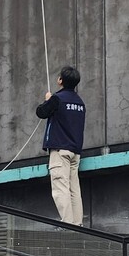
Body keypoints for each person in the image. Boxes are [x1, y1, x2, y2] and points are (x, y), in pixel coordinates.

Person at [36, 66, 85, 226]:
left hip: (59, 150)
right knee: (74, 189)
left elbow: (41, 112)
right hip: (75, 151)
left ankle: (67, 224)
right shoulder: (80, 103)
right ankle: (77, 224)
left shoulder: (57, 99)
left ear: (60, 81)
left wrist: (48, 99)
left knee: (60, 187)